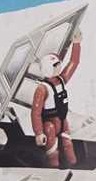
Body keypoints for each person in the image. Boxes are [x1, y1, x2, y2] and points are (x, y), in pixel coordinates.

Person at [32, 32, 82, 168]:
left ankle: (74, 166)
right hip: (49, 124)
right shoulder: (42, 89)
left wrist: (76, 44)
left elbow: (73, 63)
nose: (59, 66)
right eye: (55, 65)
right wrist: (39, 133)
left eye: (58, 64)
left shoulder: (61, 80)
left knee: (68, 145)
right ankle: (53, 170)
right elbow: (35, 113)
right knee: (52, 151)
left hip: (62, 120)